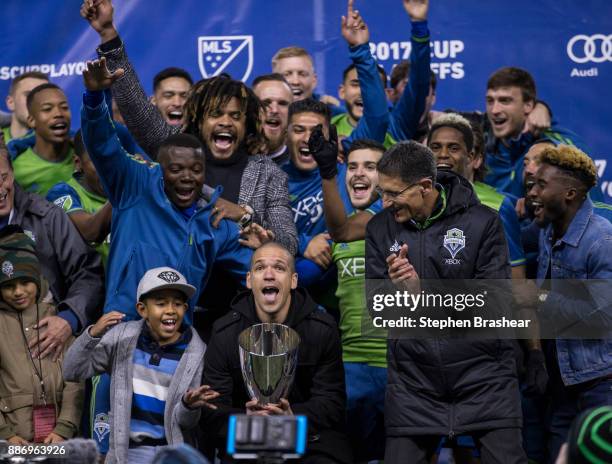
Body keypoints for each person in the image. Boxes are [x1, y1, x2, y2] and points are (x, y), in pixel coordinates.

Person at [80, 0, 297, 254]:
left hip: (242, 289)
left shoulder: (269, 174)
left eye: (235, 116)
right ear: (199, 120)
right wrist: (107, 33)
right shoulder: (176, 150)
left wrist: (244, 215)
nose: (225, 122)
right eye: (216, 114)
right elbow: (136, 107)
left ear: (246, 123)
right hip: (177, 288)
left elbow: (289, 243)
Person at [365, 141, 526, 463]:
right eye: (381, 192)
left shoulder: (483, 222)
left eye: (393, 193)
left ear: (425, 186)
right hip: (413, 383)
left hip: (484, 377)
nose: (385, 202)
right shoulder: (379, 228)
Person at [200, 242, 352, 463]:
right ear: (249, 280)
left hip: (308, 436)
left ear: (293, 281)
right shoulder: (225, 333)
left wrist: (292, 418)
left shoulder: (321, 328)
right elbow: (212, 409)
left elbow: (332, 402)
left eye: (279, 268)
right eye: (260, 268)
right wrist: (246, 418)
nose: (269, 274)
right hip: (248, 435)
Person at [63, 267, 219, 464]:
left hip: (169, 452)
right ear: (142, 309)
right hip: (128, 452)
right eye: (161, 303)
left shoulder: (196, 352)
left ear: (185, 309)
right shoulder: (121, 338)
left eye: (178, 304)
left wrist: (189, 405)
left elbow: (186, 422)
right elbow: (72, 370)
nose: (171, 310)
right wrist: (93, 334)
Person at [527, 144, 612, 462]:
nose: (533, 192)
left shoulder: (602, 240)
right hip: (562, 381)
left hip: (601, 383)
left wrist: (540, 297)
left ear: (570, 193)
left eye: (542, 185)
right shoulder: (546, 230)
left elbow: (604, 317)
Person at [312, 137, 387, 461]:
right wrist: (305, 243)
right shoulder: (340, 228)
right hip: (351, 366)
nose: (359, 173)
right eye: (352, 166)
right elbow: (339, 230)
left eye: (370, 167)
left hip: (396, 364)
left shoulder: (397, 220)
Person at [0, 134, 105, 361]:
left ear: (13, 172)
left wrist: (69, 319)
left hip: (50, 352)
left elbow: (87, 273)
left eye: (3, 178)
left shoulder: (47, 217)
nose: (0, 189)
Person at [0, 226, 83, 445]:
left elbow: (75, 379)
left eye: (25, 282)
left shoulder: (57, 321)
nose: (18, 292)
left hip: (57, 439)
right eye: (8, 286)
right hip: (12, 441)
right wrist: (6, 435)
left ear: (37, 279)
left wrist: (65, 427)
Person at [333, 0, 431, 147]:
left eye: (375, 87)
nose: (364, 92)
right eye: (355, 84)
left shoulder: (398, 123)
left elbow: (418, 84)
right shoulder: (328, 126)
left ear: (386, 94)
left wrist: (419, 26)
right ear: (342, 91)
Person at [483, 66, 581, 198]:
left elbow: (589, 206)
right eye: (490, 101)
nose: (494, 110)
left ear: (528, 105)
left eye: (505, 101)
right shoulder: (479, 139)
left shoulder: (560, 145)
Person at [46, 129, 111, 266]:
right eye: (97, 160)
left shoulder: (135, 187)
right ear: (78, 163)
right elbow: (90, 233)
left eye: (113, 157)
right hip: (95, 285)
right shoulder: (62, 192)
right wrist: (124, 190)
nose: (107, 168)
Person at [11, 83, 74, 196]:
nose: (59, 114)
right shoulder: (17, 170)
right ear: (31, 121)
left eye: (64, 107)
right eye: (47, 109)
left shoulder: (86, 158)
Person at [252, 73, 293, 165]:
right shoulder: (228, 159)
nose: (274, 110)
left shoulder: (305, 166)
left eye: (282, 103)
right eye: (266, 102)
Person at [2, 72, 49, 142]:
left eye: (44, 96)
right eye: (28, 95)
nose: (37, 101)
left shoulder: (66, 145)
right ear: (11, 103)